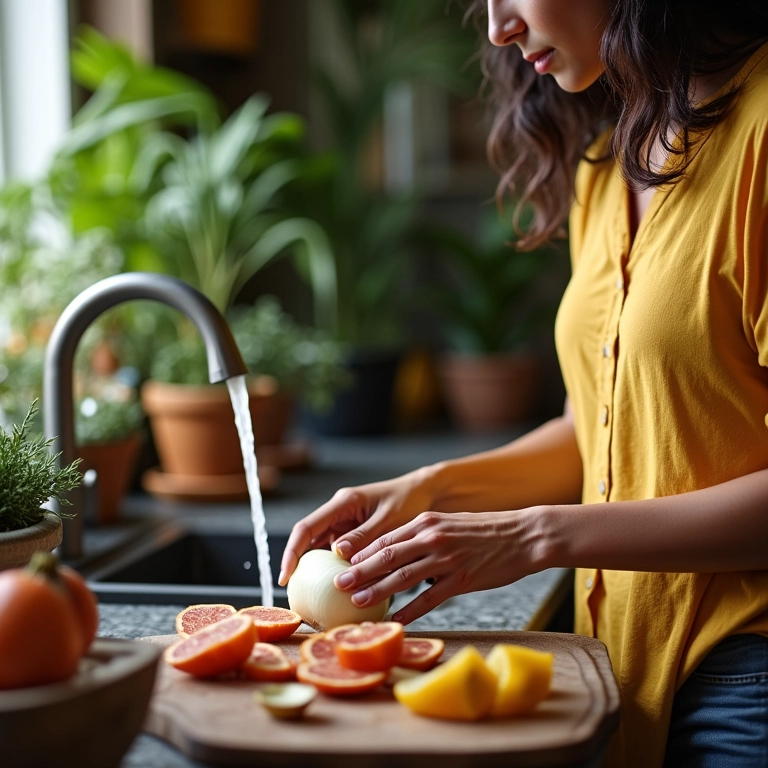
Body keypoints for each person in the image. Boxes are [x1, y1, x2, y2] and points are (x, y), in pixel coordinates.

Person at [279, 2, 768, 766]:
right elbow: (600, 432)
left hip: (746, 677)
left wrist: (536, 535)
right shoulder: (609, 162)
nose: (497, 27)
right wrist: (431, 490)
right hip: (621, 667)